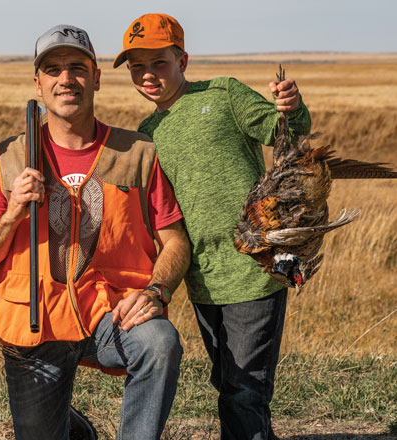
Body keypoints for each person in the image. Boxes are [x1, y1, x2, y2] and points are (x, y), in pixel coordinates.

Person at [0, 24, 191, 440]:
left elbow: (174, 240)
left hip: (113, 313)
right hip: (34, 323)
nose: (66, 79)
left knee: (159, 343)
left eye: (77, 68)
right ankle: (76, 431)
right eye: (53, 69)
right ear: (38, 84)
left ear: (97, 78)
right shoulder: (11, 156)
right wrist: (13, 212)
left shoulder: (137, 153)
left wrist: (156, 291)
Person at [114, 13, 312, 440]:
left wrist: (291, 109)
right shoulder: (147, 134)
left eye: (159, 62)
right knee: (228, 380)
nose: (147, 74)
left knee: (244, 388)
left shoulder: (223, 94)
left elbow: (285, 135)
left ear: (182, 60)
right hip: (202, 278)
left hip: (254, 266)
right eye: (136, 66)